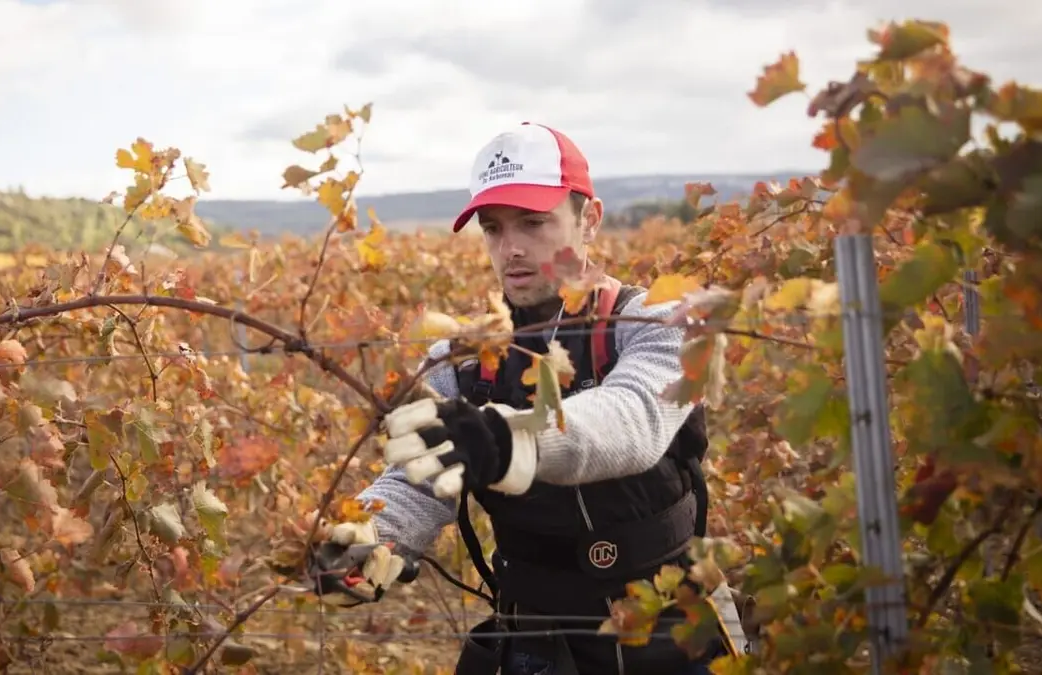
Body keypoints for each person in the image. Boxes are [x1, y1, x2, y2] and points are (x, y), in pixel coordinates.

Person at [308, 122, 727, 675]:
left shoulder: (655, 321)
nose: (512, 249)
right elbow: (417, 477)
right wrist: (371, 538)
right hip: (536, 642)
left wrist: (509, 440)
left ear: (590, 219)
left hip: (678, 634)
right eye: (494, 228)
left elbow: (633, 421)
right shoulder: (458, 360)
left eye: (534, 222)